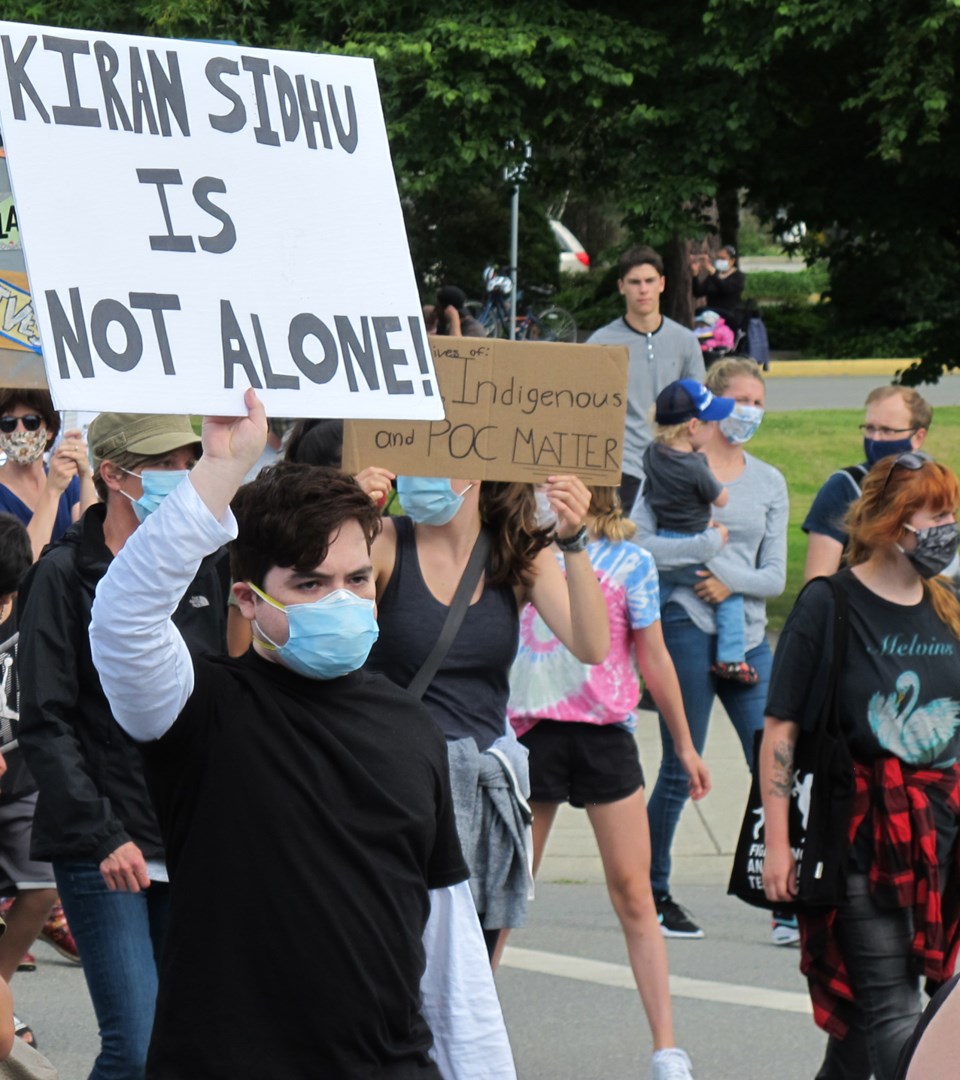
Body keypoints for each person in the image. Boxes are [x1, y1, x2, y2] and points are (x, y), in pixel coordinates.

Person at [88, 393, 516, 1079]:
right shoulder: (199, 711)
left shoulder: (412, 729)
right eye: (311, 584)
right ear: (251, 599)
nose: (342, 600)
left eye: (356, 580)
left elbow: (450, 948)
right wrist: (221, 471)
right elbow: (122, 620)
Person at [17, 413, 229, 1080]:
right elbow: (45, 721)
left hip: (186, 836)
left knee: (182, 1047)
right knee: (135, 1047)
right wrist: (103, 833)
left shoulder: (209, 567)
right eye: (166, 463)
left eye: (190, 462)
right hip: (102, 847)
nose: (183, 477)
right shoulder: (60, 576)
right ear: (113, 475)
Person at [761, 451, 960, 1080]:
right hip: (863, 841)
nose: (947, 528)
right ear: (892, 522)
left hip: (944, 838)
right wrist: (777, 843)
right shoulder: (829, 604)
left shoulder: (950, 603)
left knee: (862, 1030)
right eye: (937, 514)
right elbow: (781, 727)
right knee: (894, 1012)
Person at [362, 468, 609, 962]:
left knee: (466, 988)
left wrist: (573, 538)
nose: (418, 472)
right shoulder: (384, 541)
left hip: (480, 807)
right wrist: (353, 519)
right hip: (395, 792)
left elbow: (591, 644)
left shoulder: (517, 554)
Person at [506, 484, 710, 1080]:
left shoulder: (631, 561)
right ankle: (467, 1032)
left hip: (604, 734)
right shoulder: (515, 550)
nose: (553, 488)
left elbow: (654, 656)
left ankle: (666, 1047)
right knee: (508, 892)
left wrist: (685, 744)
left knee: (634, 892)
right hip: (529, 731)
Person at [631, 358, 788, 941]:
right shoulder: (672, 466)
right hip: (684, 624)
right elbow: (641, 545)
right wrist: (704, 556)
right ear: (711, 410)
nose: (750, 411)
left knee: (773, 767)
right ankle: (653, 892)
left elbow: (773, 578)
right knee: (680, 763)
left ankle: (785, 898)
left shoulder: (769, 482)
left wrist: (727, 580)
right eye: (740, 399)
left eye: (760, 402)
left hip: (747, 635)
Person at [643, 379, 756, 685]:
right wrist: (715, 532)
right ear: (693, 426)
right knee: (729, 598)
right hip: (694, 546)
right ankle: (731, 661)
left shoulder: (651, 453)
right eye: (711, 422)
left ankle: (636, 653)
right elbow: (721, 498)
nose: (715, 426)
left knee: (652, 600)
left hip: (664, 541)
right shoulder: (696, 465)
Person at [587, 246, 704, 514]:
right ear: (621, 287)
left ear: (662, 284)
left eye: (650, 281)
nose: (643, 289)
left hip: (674, 463)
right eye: (635, 282)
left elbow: (698, 409)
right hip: (622, 467)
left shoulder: (685, 341)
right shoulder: (601, 343)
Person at [0, 514, 58, 1048]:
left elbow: (36, 542)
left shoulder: (31, 602)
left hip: (21, 779)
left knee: (41, 888)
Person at [803, 386, 932, 582]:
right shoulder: (844, 487)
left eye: (887, 430)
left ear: (918, 437)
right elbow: (817, 579)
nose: (875, 439)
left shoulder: (933, 487)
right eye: (870, 428)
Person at [0, 389, 97, 560]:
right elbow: (24, 564)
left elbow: (91, 542)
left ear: (50, 429)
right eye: (8, 423)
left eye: (31, 422)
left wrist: (84, 475)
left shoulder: (67, 482)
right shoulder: (57, 483)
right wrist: (52, 490)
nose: (20, 431)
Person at [690, 245, 746, 319]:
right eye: (718, 258)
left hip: (728, 316)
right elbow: (698, 292)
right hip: (711, 316)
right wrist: (695, 274)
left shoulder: (738, 276)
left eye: (723, 258)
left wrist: (711, 270)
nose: (719, 261)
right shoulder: (715, 275)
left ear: (732, 261)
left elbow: (725, 288)